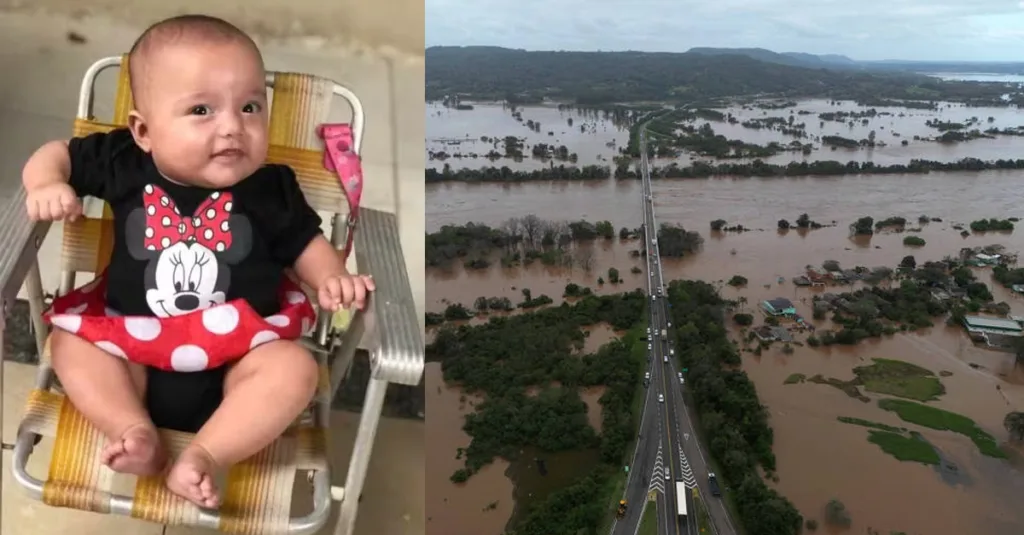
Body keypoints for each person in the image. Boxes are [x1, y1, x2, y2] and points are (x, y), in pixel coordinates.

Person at [21, 14, 374, 509]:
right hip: (130, 350)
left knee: (295, 369)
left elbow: (304, 244)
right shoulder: (124, 160)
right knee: (69, 345)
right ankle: (132, 430)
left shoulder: (271, 187)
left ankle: (206, 454)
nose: (233, 126)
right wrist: (46, 185)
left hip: (240, 362)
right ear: (144, 130)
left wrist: (332, 277)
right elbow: (53, 155)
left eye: (250, 107)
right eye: (202, 110)